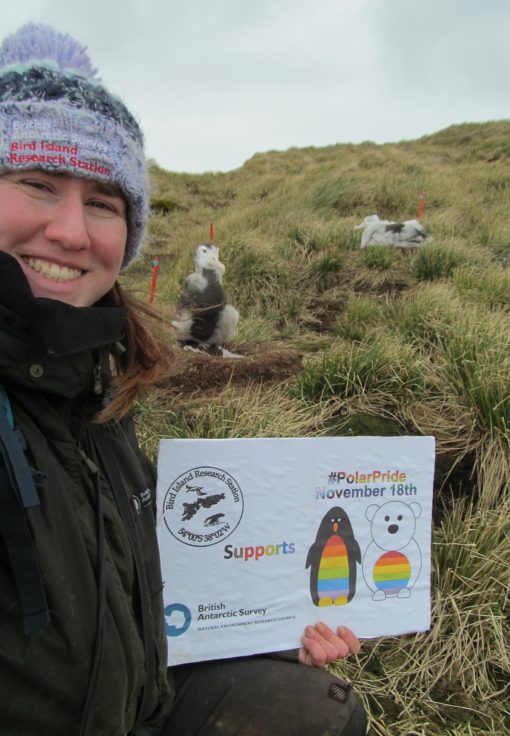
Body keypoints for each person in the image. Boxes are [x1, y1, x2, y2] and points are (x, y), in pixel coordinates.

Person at [0, 23, 367, 736]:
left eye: (102, 203)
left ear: (129, 231)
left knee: (315, 708)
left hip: (132, 703)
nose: (72, 233)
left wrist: (260, 623)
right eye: (37, 186)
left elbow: (133, 593)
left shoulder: (97, 385)